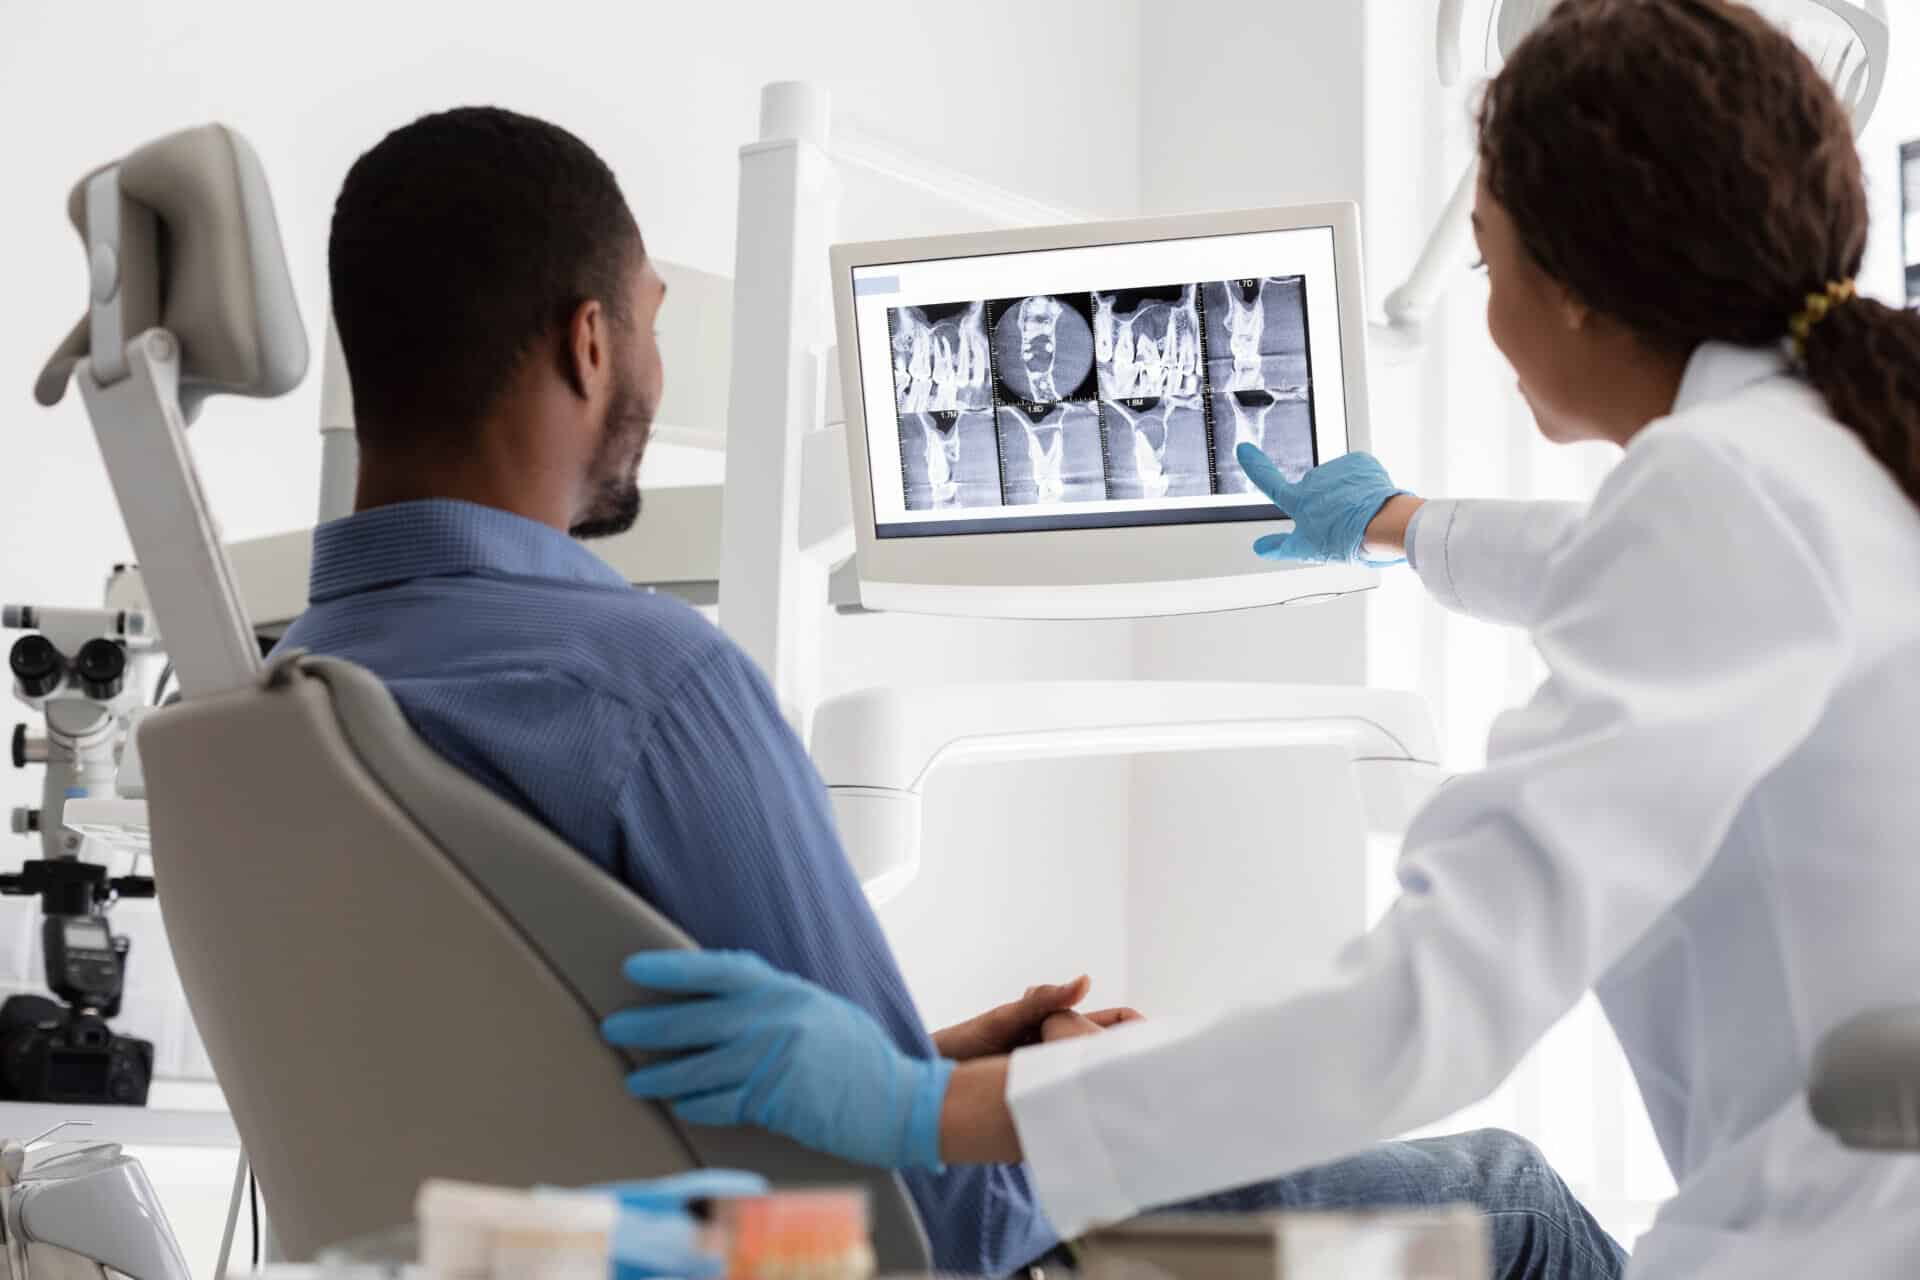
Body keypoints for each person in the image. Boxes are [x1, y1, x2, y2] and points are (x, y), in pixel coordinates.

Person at [604, 1, 1920, 1275]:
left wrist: (921, 1108)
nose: (1481, 299)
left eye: (1483, 256)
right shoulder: (1844, 452)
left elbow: (1423, 1015)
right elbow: (1612, 574)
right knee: (1514, 1190)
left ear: (1576, 292)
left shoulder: (1720, 497)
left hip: (1815, 1241)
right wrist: (1392, 522)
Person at [281, 106, 1623, 1277]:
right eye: (644, 327)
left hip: (597, 1253)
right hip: (884, 1254)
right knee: (1522, 1203)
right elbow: (939, 1217)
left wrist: (937, 1071)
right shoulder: (654, 693)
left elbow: (555, 1098)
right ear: (589, 345)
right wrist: (1056, 1092)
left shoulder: (289, 702)